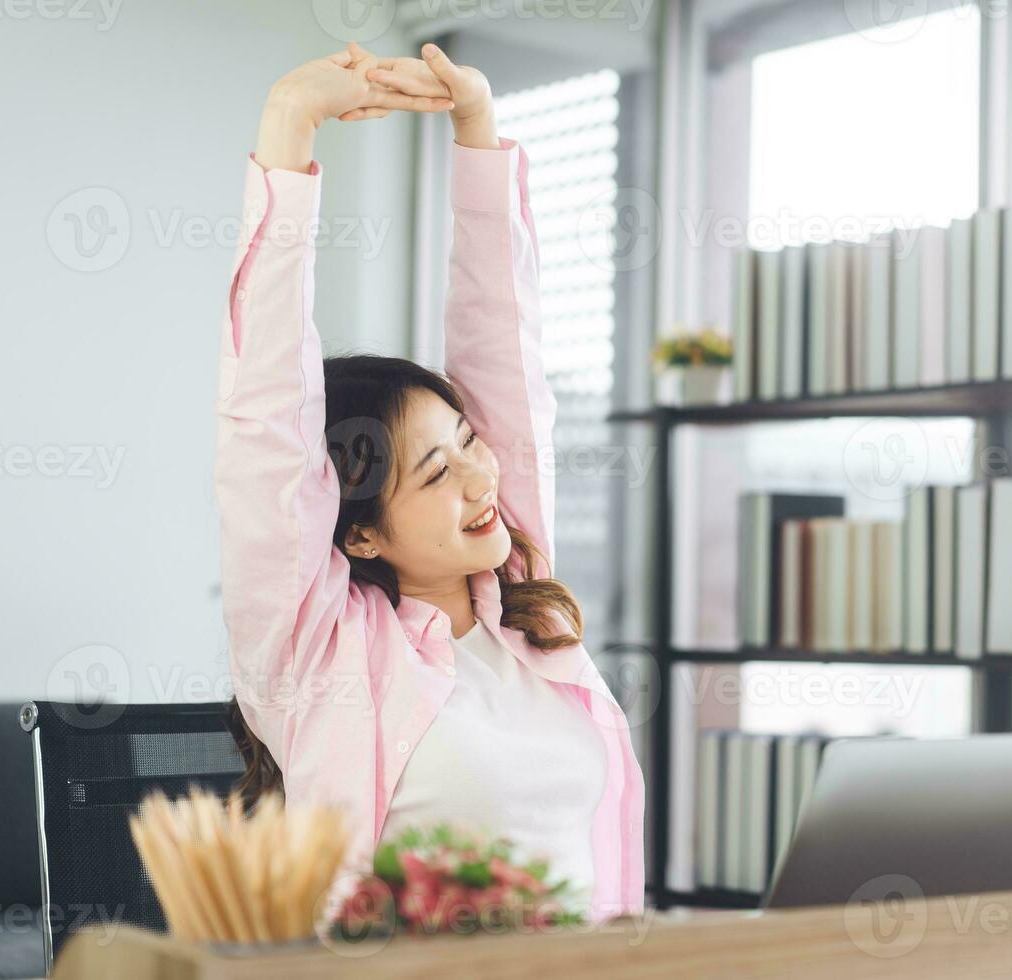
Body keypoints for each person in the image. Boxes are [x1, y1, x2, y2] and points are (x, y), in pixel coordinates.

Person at [214, 41, 644, 922]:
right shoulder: (317, 649)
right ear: (359, 531)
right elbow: (265, 420)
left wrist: (477, 126)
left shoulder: (522, 608)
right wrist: (289, 123)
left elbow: (504, 349)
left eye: (469, 442)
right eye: (438, 470)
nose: (484, 475)